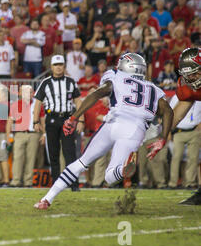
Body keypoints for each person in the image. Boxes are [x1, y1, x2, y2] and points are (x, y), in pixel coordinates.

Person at [34, 53, 174, 210]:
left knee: (81, 163)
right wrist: (163, 138)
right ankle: (122, 169)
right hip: (135, 130)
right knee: (110, 176)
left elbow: (97, 93)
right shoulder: (153, 89)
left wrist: (74, 117)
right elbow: (168, 111)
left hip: (113, 123)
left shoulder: (116, 75)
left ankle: (47, 199)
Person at [33, 55, 84, 191]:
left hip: (67, 119)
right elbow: (38, 102)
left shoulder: (71, 82)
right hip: (51, 119)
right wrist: (36, 121)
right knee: (53, 154)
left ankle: (74, 184)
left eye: (61, 64)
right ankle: (56, 184)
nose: (58, 67)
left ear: (64, 66)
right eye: (56, 65)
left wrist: (81, 120)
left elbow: (78, 102)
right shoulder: (45, 82)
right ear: (51, 67)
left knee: (70, 153)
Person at [6, 85, 45, 187]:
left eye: (30, 92)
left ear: (33, 93)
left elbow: (42, 120)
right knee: (17, 158)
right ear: (20, 93)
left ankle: (28, 182)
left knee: (31, 159)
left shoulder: (38, 104)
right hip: (19, 134)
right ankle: (16, 181)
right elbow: (10, 121)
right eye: (25, 92)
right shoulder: (15, 105)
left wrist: (44, 134)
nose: (28, 94)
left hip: (34, 134)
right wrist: (8, 136)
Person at [168, 95, 200, 189]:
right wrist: (169, 131)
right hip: (179, 132)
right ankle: (172, 183)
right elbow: (171, 112)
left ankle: (190, 182)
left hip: (195, 131)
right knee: (176, 157)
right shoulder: (176, 97)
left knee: (193, 158)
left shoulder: (199, 95)